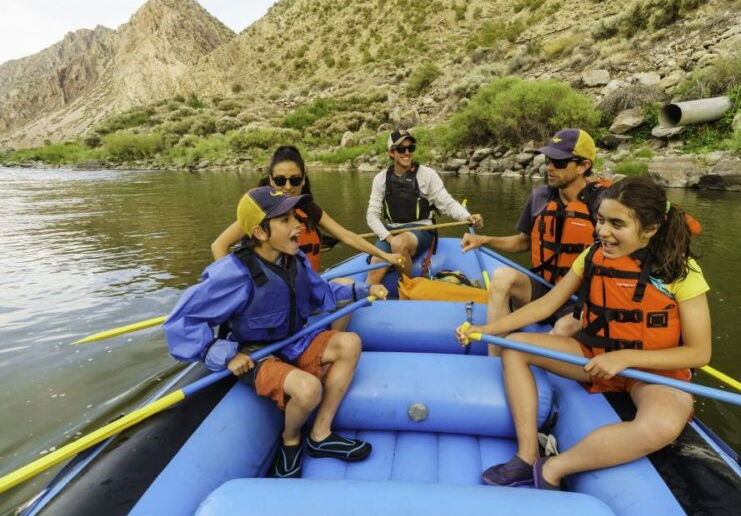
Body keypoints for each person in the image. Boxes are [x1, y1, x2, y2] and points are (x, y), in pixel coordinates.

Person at [456, 177, 711, 490]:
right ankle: (527, 455)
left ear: (651, 229)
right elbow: (546, 304)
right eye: (601, 220)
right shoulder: (592, 254)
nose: (603, 231)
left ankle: (552, 469)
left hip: (653, 372)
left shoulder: (679, 271)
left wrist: (626, 357)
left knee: (659, 427)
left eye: (617, 224)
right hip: (594, 358)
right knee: (514, 347)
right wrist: (486, 330)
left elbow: (699, 353)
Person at [165, 186, 389, 479]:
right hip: (256, 354)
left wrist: (363, 289)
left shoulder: (294, 261)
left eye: (294, 217)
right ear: (260, 233)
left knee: (349, 343)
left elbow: (322, 293)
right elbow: (179, 323)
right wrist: (221, 354)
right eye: (285, 220)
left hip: (293, 342)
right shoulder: (233, 274)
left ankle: (320, 434)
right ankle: (291, 440)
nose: (298, 225)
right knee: (309, 389)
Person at [460, 129, 609, 355]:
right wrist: (484, 239)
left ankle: (538, 361)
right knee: (501, 277)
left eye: (559, 162)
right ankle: (494, 359)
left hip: (582, 296)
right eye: (549, 160)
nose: (549, 167)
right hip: (544, 286)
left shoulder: (605, 204)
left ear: (584, 166)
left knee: (563, 328)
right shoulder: (539, 197)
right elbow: (524, 242)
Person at [211, 145, 405, 272]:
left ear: (303, 179)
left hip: (303, 286)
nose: (288, 187)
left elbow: (346, 236)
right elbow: (219, 245)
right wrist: (231, 282)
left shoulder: (307, 207)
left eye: (295, 180)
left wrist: (385, 255)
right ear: (270, 180)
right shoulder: (258, 210)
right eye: (280, 180)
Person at [365, 129, 483, 285]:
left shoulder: (427, 175)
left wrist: (466, 216)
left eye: (410, 148)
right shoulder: (380, 179)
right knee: (376, 261)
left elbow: (446, 203)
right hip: (392, 230)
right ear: (392, 153)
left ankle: (407, 289)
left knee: (399, 244)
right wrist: (389, 238)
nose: (407, 152)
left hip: (422, 230)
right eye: (401, 149)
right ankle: (367, 297)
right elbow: (371, 215)